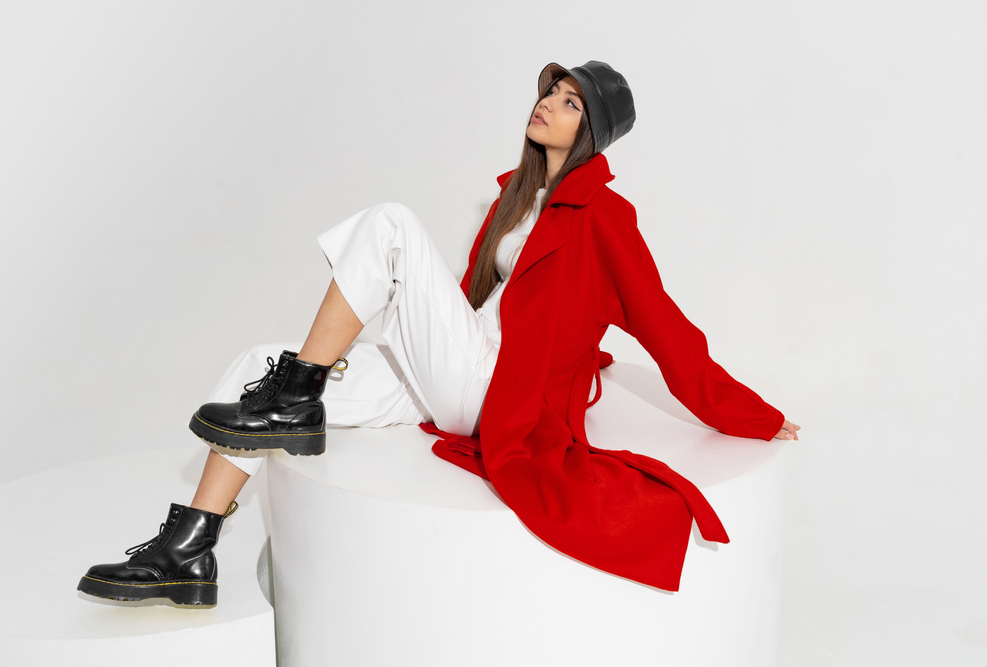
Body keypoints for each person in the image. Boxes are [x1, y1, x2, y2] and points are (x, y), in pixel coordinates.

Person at [78, 61, 800, 607]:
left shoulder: (606, 217)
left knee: (391, 223)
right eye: (549, 91)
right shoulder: (514, 202)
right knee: (256, 362)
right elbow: (460, 306)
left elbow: (668, 329)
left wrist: (754, 416)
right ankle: (189, 550)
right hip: (461, 369)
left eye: (570, 101)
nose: (548, 103)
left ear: (592, 131)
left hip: (498, 390)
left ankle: (295, 399)